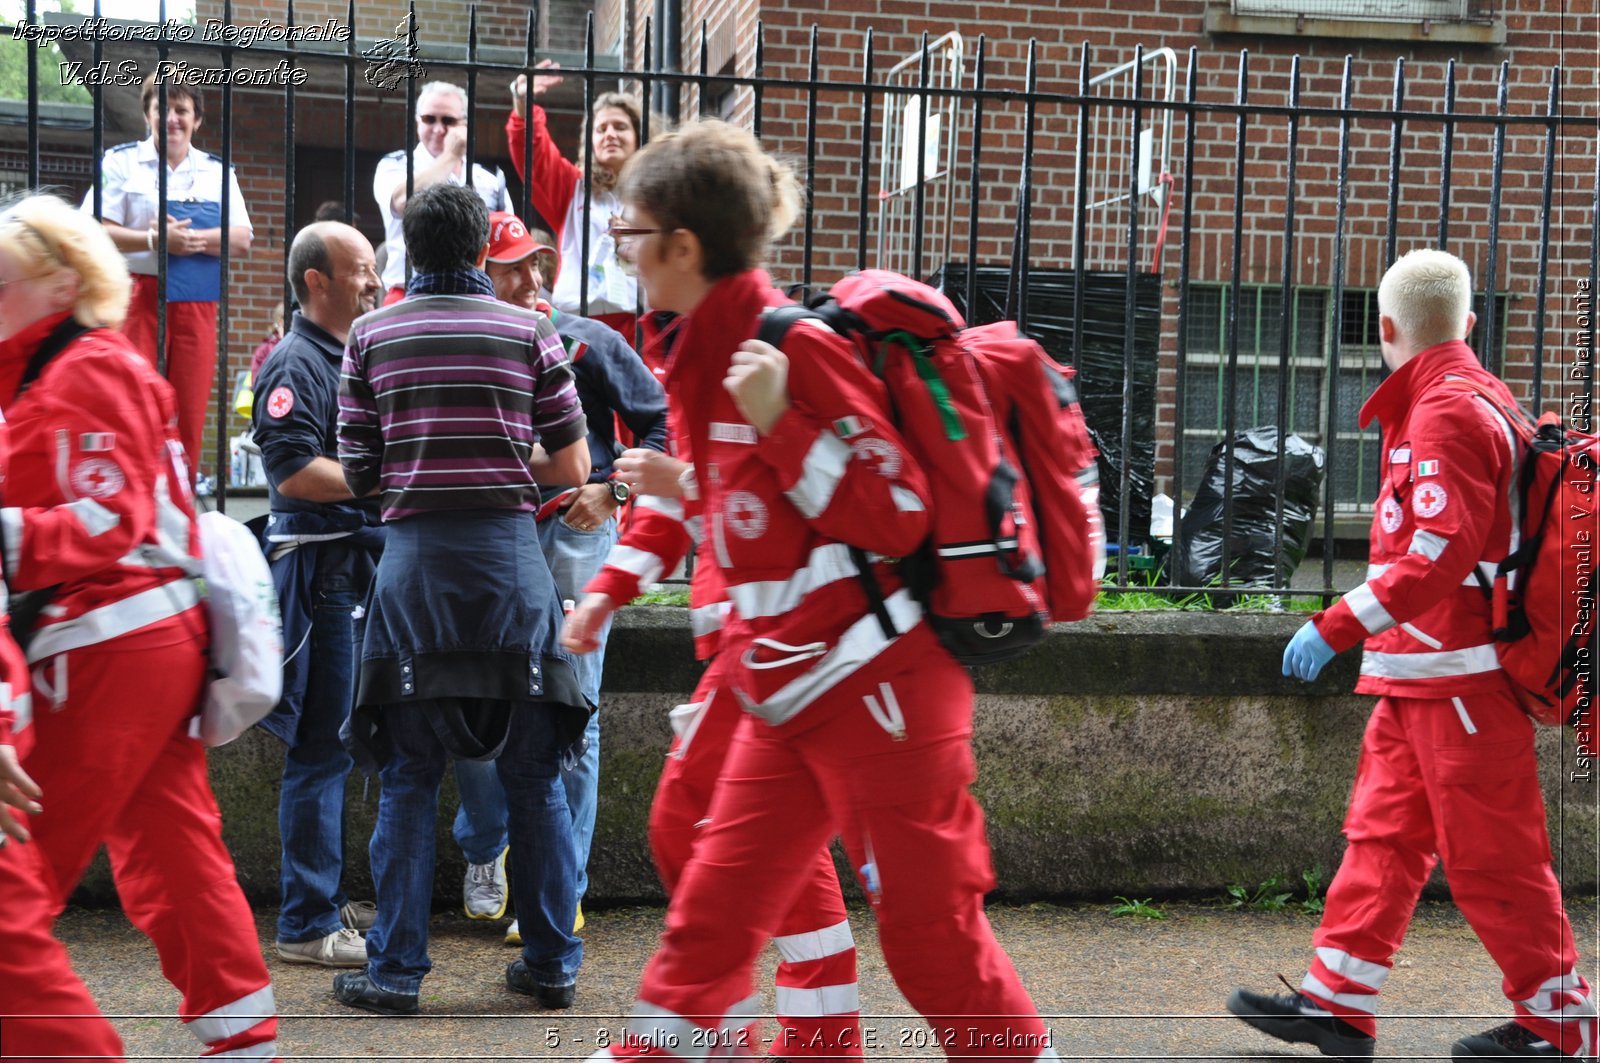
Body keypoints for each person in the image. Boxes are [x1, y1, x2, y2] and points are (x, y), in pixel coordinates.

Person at [560, 120, 1056, 1063]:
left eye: (628, 232)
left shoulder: (792, 345)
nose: (618, 248)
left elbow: (899, 511)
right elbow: (739, 508)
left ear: (682, 247)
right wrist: (630, 566)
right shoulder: (702, 351)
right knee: (707, 915)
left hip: (883, 687)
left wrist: (783, 420)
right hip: (783, 691)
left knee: (932, 941)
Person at [1227, 248, 1597, 1061]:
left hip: (1455, 680)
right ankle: (1337, 999)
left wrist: (1333, 624)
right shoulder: (1473, 397)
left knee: (1493, 858)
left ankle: (1560, 1017)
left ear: (1387, 329)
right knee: (1382, 838)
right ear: (1467, 324)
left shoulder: (1443, 413)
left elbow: (1435, 551)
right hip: (1425, 678)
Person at [0, 194, 279, 1059]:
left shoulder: (79, 367)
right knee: (172, 852)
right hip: (148, 639)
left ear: (56, 280)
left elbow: (105, 519)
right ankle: (247, 1039)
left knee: (18, 885)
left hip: (103, 642)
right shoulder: (81, 363)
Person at [334, 183, 591, 1016]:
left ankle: (396, 971)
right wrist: (504, 464)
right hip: (513, 576)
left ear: (409, 248)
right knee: (536, 779)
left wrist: (419, 466)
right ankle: (552, 964)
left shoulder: (370, 336)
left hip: (413, 580)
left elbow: (361, 471)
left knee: (409, 777)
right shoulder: (530, 332)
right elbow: (576, 467)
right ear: (486, 250)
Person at [453, 213, 668, 943]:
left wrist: (616, 490)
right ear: (478, 271)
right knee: (476, 700)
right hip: (489, 539)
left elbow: (664, 424)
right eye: (511, 265)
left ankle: (560, 885)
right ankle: (486, 847)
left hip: (577, 534)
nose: (531, 278)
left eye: (538, 263)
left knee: (574, 707)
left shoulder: (588, 338)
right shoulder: (463, 343)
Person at [253, 222, 386, 969]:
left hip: (352, 577)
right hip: (323, 581)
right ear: (318, 281)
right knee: (320, 750)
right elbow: (294, 474)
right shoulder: (295, 363)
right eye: (361, 270)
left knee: (344, 746)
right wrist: (381, 480)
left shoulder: (340, 356)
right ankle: (306, 921)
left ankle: (323, 898)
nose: (373, 282)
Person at [82, 71, 253, 473]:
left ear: (197, 120)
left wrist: (189, 241)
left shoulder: (217, 171)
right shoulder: (120, 162)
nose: (172, 118)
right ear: (148, 114)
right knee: (131, 403)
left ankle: (180, 504)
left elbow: (242, 237)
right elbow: (94, 228)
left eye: (182, 109)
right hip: (137, 295)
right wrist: (154, 241)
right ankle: (129, 498)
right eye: (163, 108)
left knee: (188, 409)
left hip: (196, 299)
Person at [506, 63, 643, 339]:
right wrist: (523, 101)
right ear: (590, 140)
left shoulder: (654, 193)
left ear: (638, 136)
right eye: (601, 128)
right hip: (577, 323)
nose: (610, 134)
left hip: (637, 322)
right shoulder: (574, 186)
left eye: (620, 127)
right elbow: (533, 154)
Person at [374, 81, 507, 305]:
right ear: (417, 121)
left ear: (464, 124)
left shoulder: (488, 178)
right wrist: (451, 156)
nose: (438, 129)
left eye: (448, 120)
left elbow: (504, 239)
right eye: (429, 119)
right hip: (407, 291)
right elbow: (401, 202)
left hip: (475, 294)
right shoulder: (395, 165)